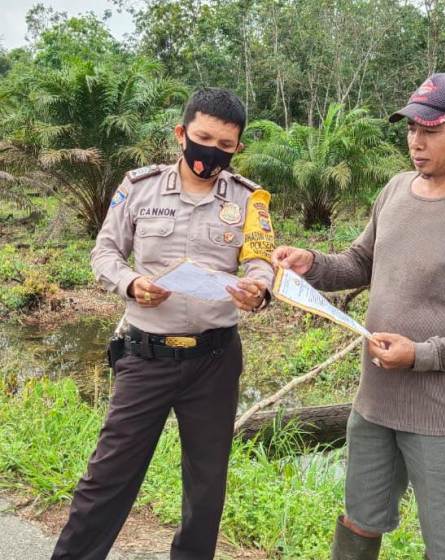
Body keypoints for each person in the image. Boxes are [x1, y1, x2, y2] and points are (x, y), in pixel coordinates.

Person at [273, 73, 445, 560]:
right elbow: (361, 263)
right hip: (375, 401)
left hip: (440, 413)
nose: (416, 142)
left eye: (430, 131)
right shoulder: (395, 191)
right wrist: (313, 264)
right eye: (410, 129)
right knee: (359, 520)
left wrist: (423, 355)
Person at [51, 87, 275, 560]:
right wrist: (132, 283)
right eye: (203, 137)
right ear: (181, 133)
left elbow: (260, 262)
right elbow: (105, 251)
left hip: (215, 359)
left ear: (237, 148)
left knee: (206, 483)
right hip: (145, 355)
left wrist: (259, 287)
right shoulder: (138, 186)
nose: (211, 151)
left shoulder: (250, 199)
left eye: (226, 145)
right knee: (107, 475)